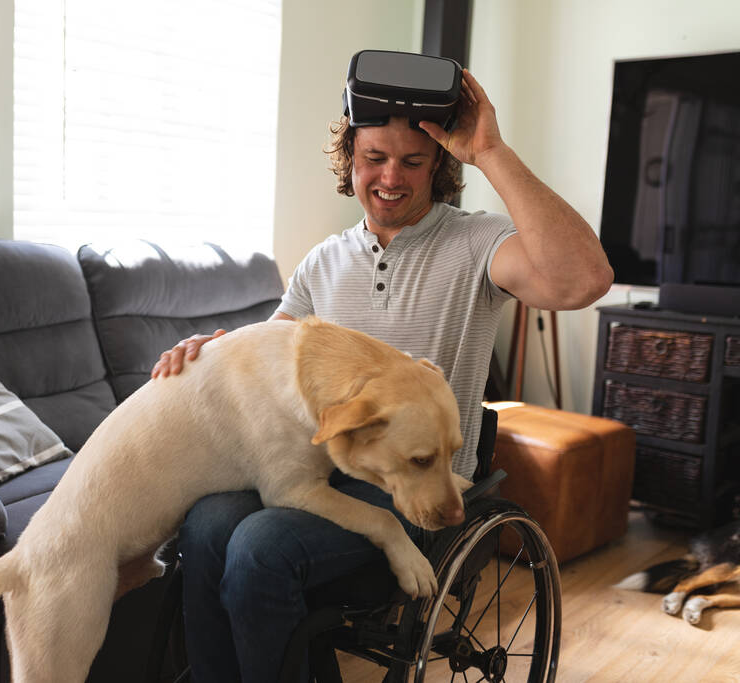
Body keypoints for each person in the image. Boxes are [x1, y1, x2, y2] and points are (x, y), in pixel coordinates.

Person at [149, 69, 612, 682]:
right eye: (375, 158)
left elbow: (584, 280)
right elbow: (263, 360)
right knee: (206, 523)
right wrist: (210, 351)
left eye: (413, 161)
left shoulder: (476, 244)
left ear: (439, 165)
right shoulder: (323, 262)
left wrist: (491, 152)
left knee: (259, 547)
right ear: (351, 159)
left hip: (418, 491)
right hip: (322, 472)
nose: (391, 177)